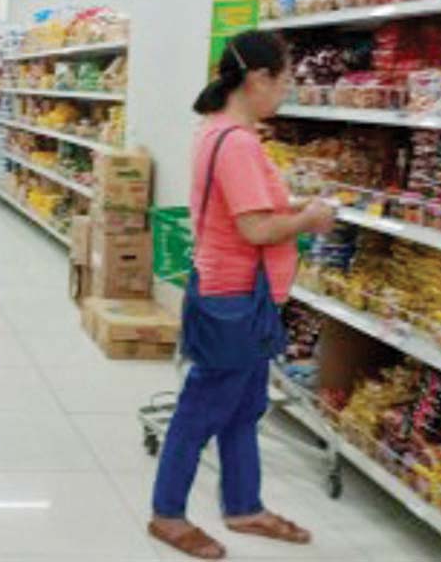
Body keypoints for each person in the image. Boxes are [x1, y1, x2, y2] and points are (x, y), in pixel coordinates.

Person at [148, 31, 336, 560]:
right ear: (257, 79)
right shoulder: (237, 142)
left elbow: (249, 208)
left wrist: (292, 203)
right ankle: (167, 514)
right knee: (200, 410)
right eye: (285, 80)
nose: (287, 91)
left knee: (245, 408)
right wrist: (310, 219)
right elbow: (254, 229)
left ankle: (244, 506)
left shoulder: (219, 132)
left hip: (245, 298)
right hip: (234, 297)